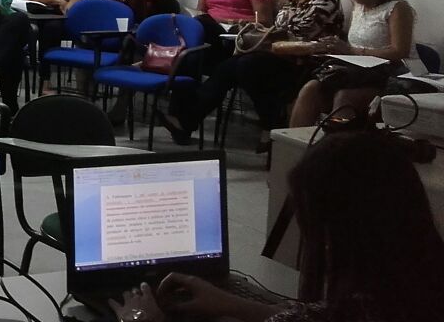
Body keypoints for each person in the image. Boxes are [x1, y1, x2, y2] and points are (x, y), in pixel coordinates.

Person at [109, 132, 444, 322]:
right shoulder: (413, 280)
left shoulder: (369, 309)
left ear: (348, 232)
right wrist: (233, 303)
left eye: (315, 230)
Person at [161, 0, 344, 151]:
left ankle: (189, 121)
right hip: (278, 55)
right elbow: (279, 31)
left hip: (307, 63)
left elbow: (299, 35)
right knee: (231, 63)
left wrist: (267, 37)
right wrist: (262, 34)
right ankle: (268, 123)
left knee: (243, 66)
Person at [289, 0, 414, 128]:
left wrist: (352, 51)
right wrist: (334, 46)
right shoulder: (358, 7)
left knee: (344, 97)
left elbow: (399, 51)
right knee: (310, 88)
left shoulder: (397, 8)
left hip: (389, 75)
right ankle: (291, 143)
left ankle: (339, 143)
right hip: (358, 71)